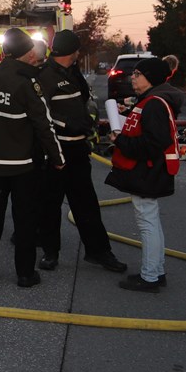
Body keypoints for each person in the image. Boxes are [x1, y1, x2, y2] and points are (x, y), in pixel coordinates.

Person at [0, 28, 64, 287]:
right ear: (27, 53)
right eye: (32, 52)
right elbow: (44, 125)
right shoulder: (27, 83)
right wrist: (58, 158)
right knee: (25, 219)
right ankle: (25, 273)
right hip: (21, 165)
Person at [34, 29, 127, 273]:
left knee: (86, 203)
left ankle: (98, 252)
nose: (78, 53)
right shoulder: (44, 76)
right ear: (70, 51)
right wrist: (68, 124)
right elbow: (40, 113)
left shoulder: (74, 73)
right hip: (56, 151)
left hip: (77, 149)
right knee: (50, 204)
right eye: (76, 50)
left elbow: (84, 101)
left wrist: (88, 124)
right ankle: (50, 252)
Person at [105, 57, 181, 292]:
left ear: (151, 78)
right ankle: (155, 271)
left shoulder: (155, 104)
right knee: (151, 221)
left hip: (148, 172)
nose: (132, 77)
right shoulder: (149, 101)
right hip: (149, 171)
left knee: (147, 223)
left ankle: (150, 277)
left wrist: (121, 141)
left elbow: (154, 142)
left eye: (138, 74)